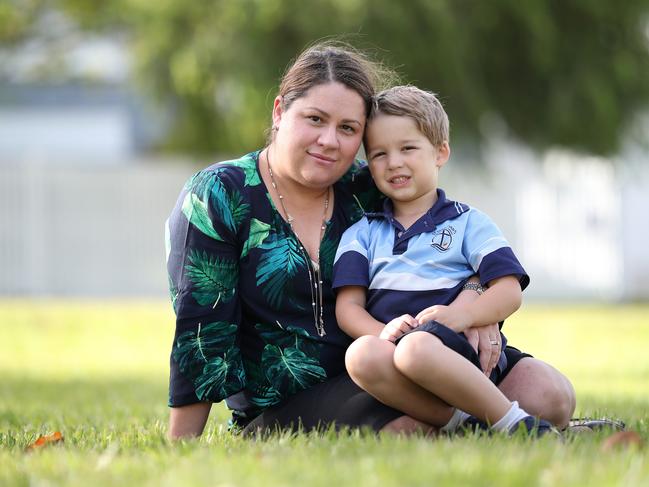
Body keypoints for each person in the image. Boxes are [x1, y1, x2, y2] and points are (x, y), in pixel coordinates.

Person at [165, 42, 576, 439]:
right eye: (314, 119)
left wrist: (477, 307)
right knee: (406, 429)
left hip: (412, 358)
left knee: (546, 393)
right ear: (279, 111)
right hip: (298, 395)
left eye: (348, 128)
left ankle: (500, 420)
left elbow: (455, 253)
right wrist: (182, 445)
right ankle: (496, 425)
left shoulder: (369, 186)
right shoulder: (221, 193)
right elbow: (202, 329)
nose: (329, 140)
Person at [333, 86, 561, 435]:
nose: (394, 162)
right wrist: (381, 332)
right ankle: (476, 424)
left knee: (549, 394)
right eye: (379, 154)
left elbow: (509, 290)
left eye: (408, 148)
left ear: (440, 153)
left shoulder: (468, 222)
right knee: (362, 355)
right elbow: (348, 308)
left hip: (463, 354)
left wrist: (462, 315)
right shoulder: (361, 233)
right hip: (399, 363)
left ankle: (513, 422)